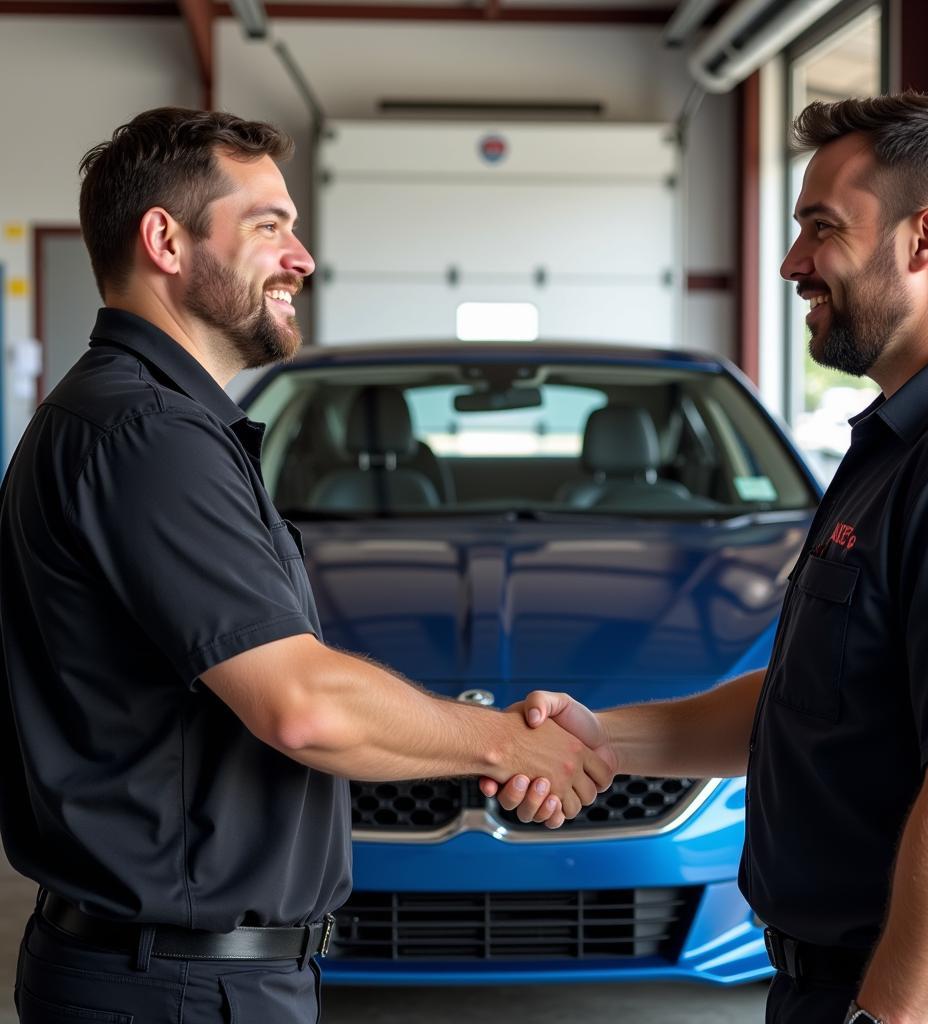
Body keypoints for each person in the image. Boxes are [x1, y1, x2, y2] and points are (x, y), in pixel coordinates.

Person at [0, 107, 611, 1024]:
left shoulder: (153, 423)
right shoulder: (147, 435)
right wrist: (506, 741)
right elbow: (305, 704)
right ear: (165, 239)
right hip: (175, 987)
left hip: (187, 971)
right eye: (269, 226)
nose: (303, 258)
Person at [489, 92, 928, 1024]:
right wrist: (600, 736)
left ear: (924, 240)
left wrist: (884, 1019)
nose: (791, 264)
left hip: (926, 996)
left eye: (821, 228)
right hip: (841, 984)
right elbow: (816, 699)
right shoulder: (900, 444)